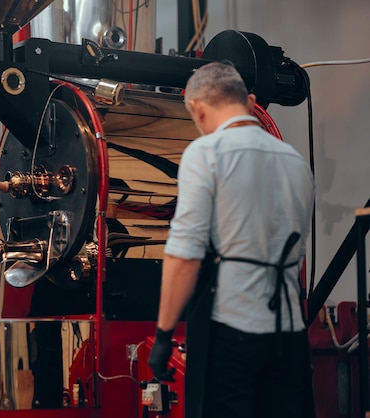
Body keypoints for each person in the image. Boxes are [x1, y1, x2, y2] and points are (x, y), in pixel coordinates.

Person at [147, 62, 315, 418]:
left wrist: (163, 335)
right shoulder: (296, 162)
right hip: (290, 334)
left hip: (232, 331)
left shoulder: (206, 153)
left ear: (197, 108)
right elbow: (298, 254)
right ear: (250, 101)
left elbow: (185, 254)